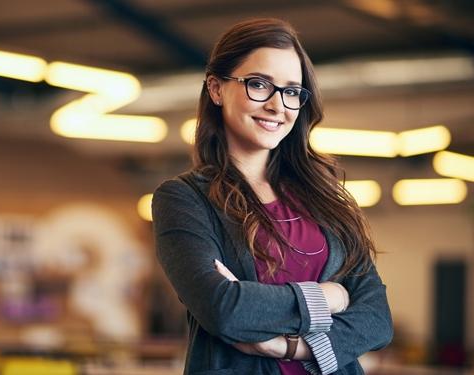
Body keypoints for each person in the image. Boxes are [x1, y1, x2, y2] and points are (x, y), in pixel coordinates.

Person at [151, 18, 393, 375]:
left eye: (292, 91)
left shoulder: (325, 198)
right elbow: (225, 309)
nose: (278, 105)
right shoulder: (184, 200)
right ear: (216, 89)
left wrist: (291, 347)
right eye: (259, 84)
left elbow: (376, 318)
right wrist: (331, 296)